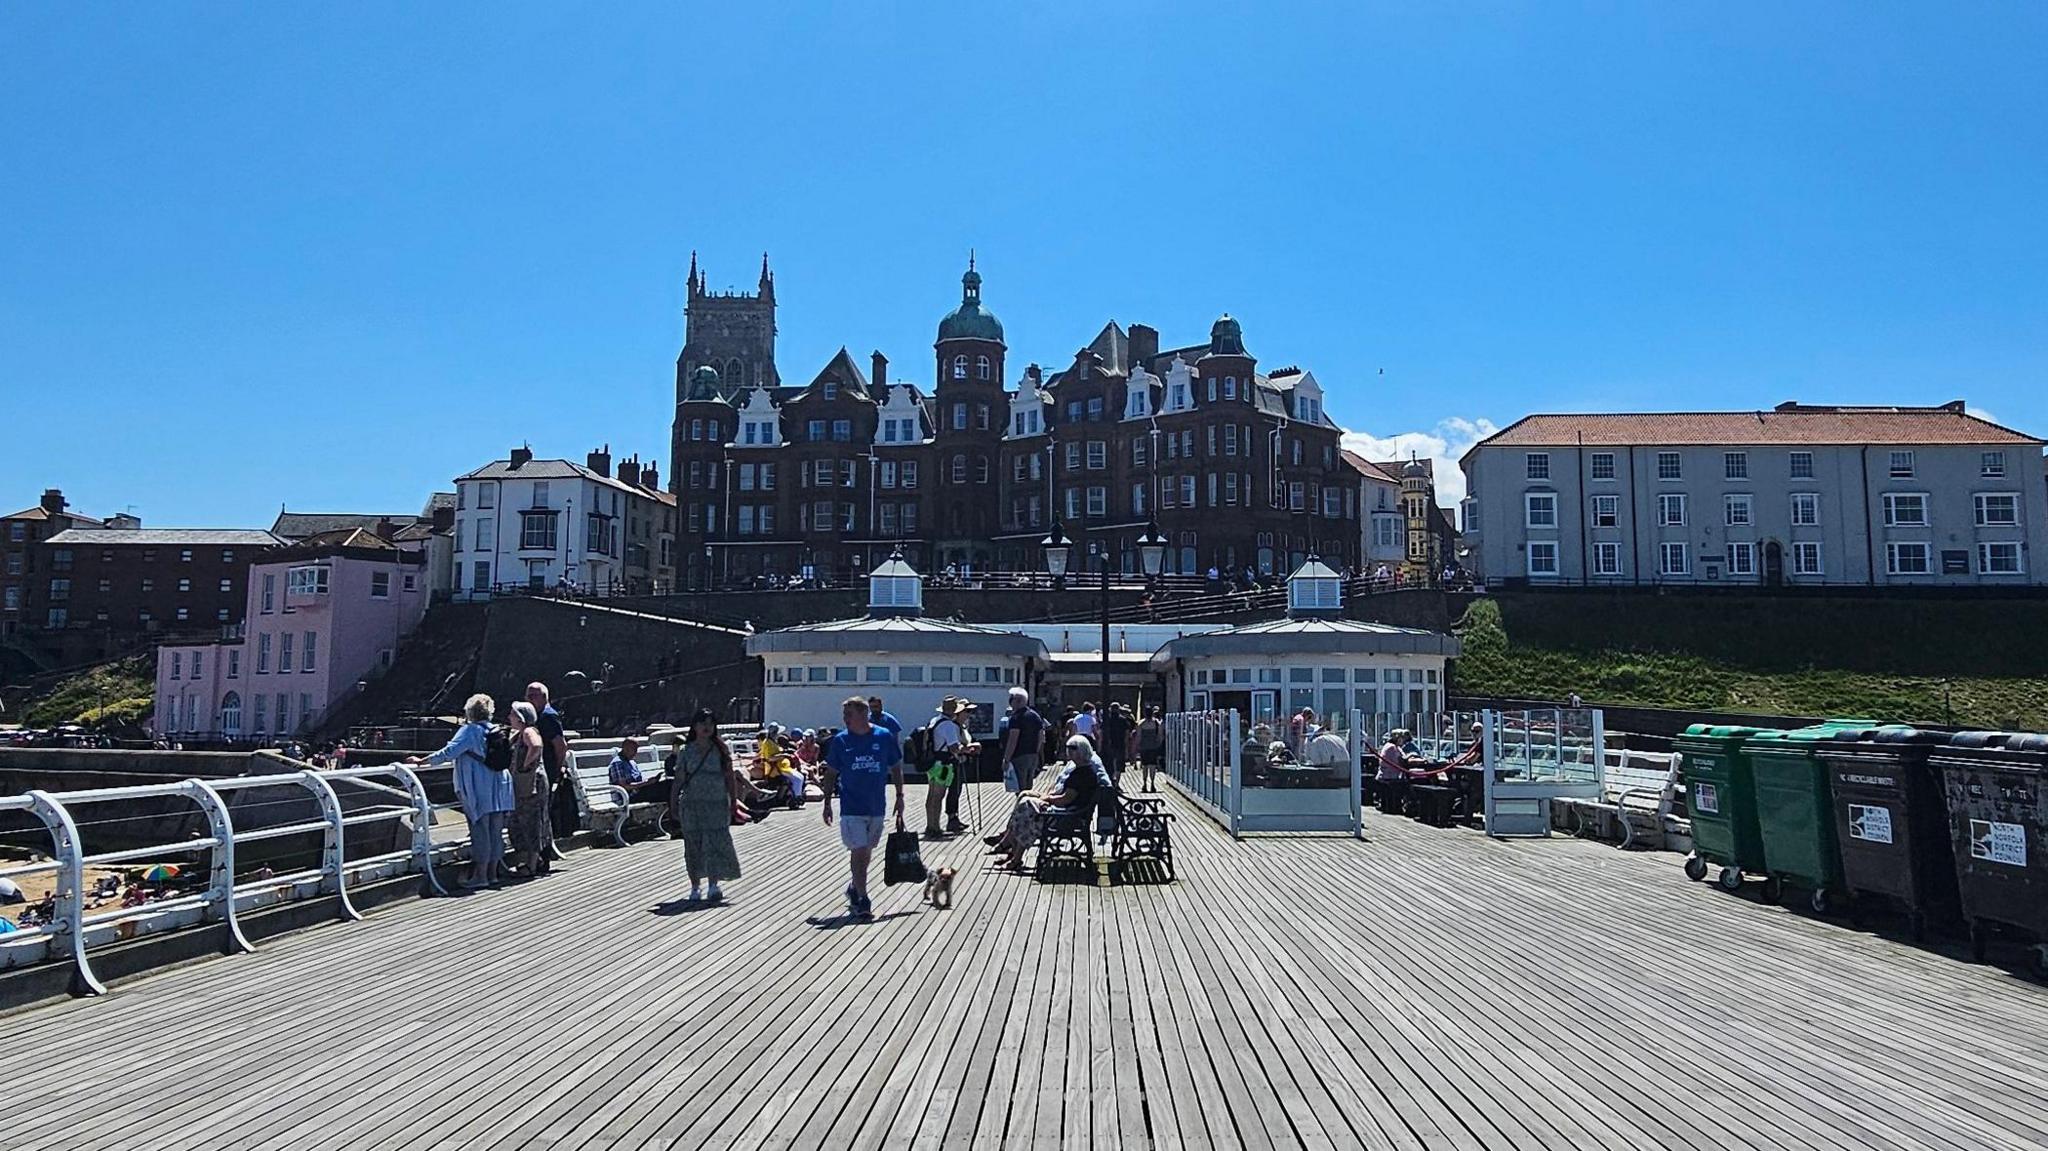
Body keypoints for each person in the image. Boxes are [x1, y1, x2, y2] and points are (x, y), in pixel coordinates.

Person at [408, 693, 512, 890]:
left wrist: (422, 761)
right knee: (495, 830)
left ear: (469, 711)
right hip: (500, 784)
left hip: (479, 785)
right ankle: (493, 873)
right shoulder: (496, 729)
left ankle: (481, 876)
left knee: (480, 829)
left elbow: (449, 752)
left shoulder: (470, 731)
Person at [821, 696, 905, 921]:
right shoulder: (840, 741)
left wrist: (900, 796)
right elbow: (831, 772)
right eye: (844, 715)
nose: (845, 719)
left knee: (866, 851)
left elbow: (896, 766)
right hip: (851, 806)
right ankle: (863, 897)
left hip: (876, 805)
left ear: (863, 714)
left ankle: (855, 887)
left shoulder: (883, 736)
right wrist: (827, 802)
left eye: (849, 714)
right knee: (858, 850)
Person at [989, 735, 1112, 871]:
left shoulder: (1083, 774)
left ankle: (1014, 855)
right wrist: (1046, 797)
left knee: (1027, 811)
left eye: (1073, 748)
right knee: (1025, 801)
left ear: (1083, 750)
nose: (1069, 751)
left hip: (1069, 817)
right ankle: (1013, 853)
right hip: (1066, 812)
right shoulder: (1079, 769)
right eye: (1068, 748)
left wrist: (1046, 799)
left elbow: (1066, 799)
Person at [669, 711, 742, 902]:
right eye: (703, 723)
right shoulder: (686, 751)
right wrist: (673, 803)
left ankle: (713, 885)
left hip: (716, 803)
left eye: (710, 723)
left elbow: (729, 777)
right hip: (692, 804)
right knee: (693, 845)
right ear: (694, 726)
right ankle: (695, 887)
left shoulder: (720, 749)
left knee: (714, 843)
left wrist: (734, 801)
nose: (706, 727)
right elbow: (678, 780)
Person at [527, 682, 573, 861]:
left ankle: (542, 856)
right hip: (541, 772)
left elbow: (560, 746)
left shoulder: (547, 717)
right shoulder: (537, 716)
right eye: (527, 695)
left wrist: (556, 770)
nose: (529, 699)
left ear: (544, 697)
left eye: (533, 695)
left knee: (542, 814)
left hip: (547, 772)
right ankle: (545, 852)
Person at [505, 701, 552, 876]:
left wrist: (525, 766)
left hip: (531, 784)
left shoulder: (528, 731)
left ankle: (531, 865)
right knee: (523, 821)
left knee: (530, 821)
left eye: (512, 714)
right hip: (527, 783)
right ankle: (530, 862)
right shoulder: (519, 734)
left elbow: (536, 745)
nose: (509, 717)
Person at [920, 697, 973, 838]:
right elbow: (954, 747)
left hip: (932, 763)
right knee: (938, 796)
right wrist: (968, 749)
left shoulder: (934, 721)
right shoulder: (948, 725)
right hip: (943, 765)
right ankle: (935, 827)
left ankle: (930, 824)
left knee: (931, 795)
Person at [607, 736, 673, 834]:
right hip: (628, 796)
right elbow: (624, 786)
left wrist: (651, 781)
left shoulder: (632, 762)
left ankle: (674, 822)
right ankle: (675, 822)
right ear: (626, 748)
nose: (635, 753)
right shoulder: (618, 763)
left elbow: (639, 780)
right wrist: (647, 783)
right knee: (668, 788)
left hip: (640, 792)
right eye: (634, 750)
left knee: (670, 785)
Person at [995, 686, 1045, 796]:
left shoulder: (1016, 717)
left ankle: (1021, 810)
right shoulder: (1035, 716)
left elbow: (1013, 739)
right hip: (1032, 755)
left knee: (1020, 788)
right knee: (1028, 787)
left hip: (1019, 756)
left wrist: (1006, 759)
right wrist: (1035, 753)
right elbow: (1041, 737)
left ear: (1016, 701)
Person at [1134, 706, 1165, 792]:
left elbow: (1138, 736)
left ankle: (1144, 784)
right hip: (1153, 747)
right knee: (1153, 766)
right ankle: (1152, 784)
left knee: (1145, 766)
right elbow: (1160, 735)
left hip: (1144, 747)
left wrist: (1137, 746)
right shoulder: (1156, 723)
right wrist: (1158, 744)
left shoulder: (1141, 723)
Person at [1099, 703, 1131, 783]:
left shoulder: (1106, 720)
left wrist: (1100, 745)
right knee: (1119, 766)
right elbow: (1127, 734)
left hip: (1109, 745)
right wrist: (1127, 747)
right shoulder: (1123, 720)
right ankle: (1117, 783)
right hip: (1120, 744)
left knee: (1109, 764)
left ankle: (1111, 781)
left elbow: (1101, 733)